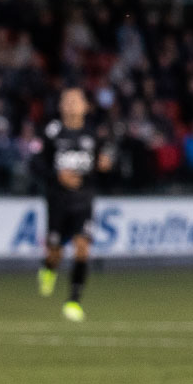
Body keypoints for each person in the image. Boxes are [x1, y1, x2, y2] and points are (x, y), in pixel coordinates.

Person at [36, 87, 113, 322]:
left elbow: (103, 164)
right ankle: (49, 269)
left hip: (83, 200)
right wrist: (57, 176)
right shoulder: (51, 133)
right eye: (66, 100)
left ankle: (73, 301)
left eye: (75, 101)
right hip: (58, 200)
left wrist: (106, 165)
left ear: (85, 106)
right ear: (60, 106)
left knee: (82, 247)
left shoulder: (93, 134)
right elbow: (36, 164)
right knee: (55, 251)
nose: (70, 104)